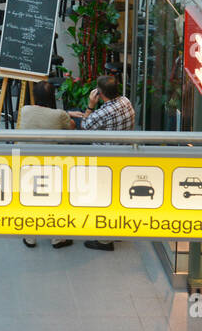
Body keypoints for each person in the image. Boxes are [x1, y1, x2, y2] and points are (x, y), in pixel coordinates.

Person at [70, 75, 135, 251]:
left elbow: (85, 126)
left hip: (105, 159)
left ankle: (104, 240)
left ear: (100, 93)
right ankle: (118, 230)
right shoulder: (126, 101)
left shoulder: (103, 112)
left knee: (104, 196)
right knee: (117, 195)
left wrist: (91, 105)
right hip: (124, 156)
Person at [18, 80, 75, 250]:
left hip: (28, 163)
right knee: (57, 198)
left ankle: (30, 237)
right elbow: (71, 127)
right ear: (52, 97)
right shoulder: (59, 115)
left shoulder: (25, 110)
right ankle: (57, 238)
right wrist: (68, 114)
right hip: (53, 165)